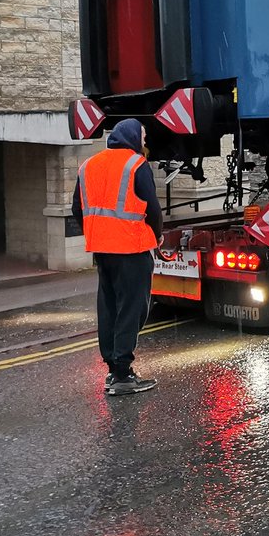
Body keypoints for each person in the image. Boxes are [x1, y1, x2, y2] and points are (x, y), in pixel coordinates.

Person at [72, 118, 162, 396]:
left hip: (102, 250)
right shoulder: (136, 164)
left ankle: (113, 369)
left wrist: (98, 231)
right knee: (132, 308)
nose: (145, 143)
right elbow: (153, 207)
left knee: (109, 307)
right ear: (133, 138)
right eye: (143, 138)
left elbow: (77, 207)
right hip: (132, 249)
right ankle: (123, 373)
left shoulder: (88, 164)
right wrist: (156, 235)